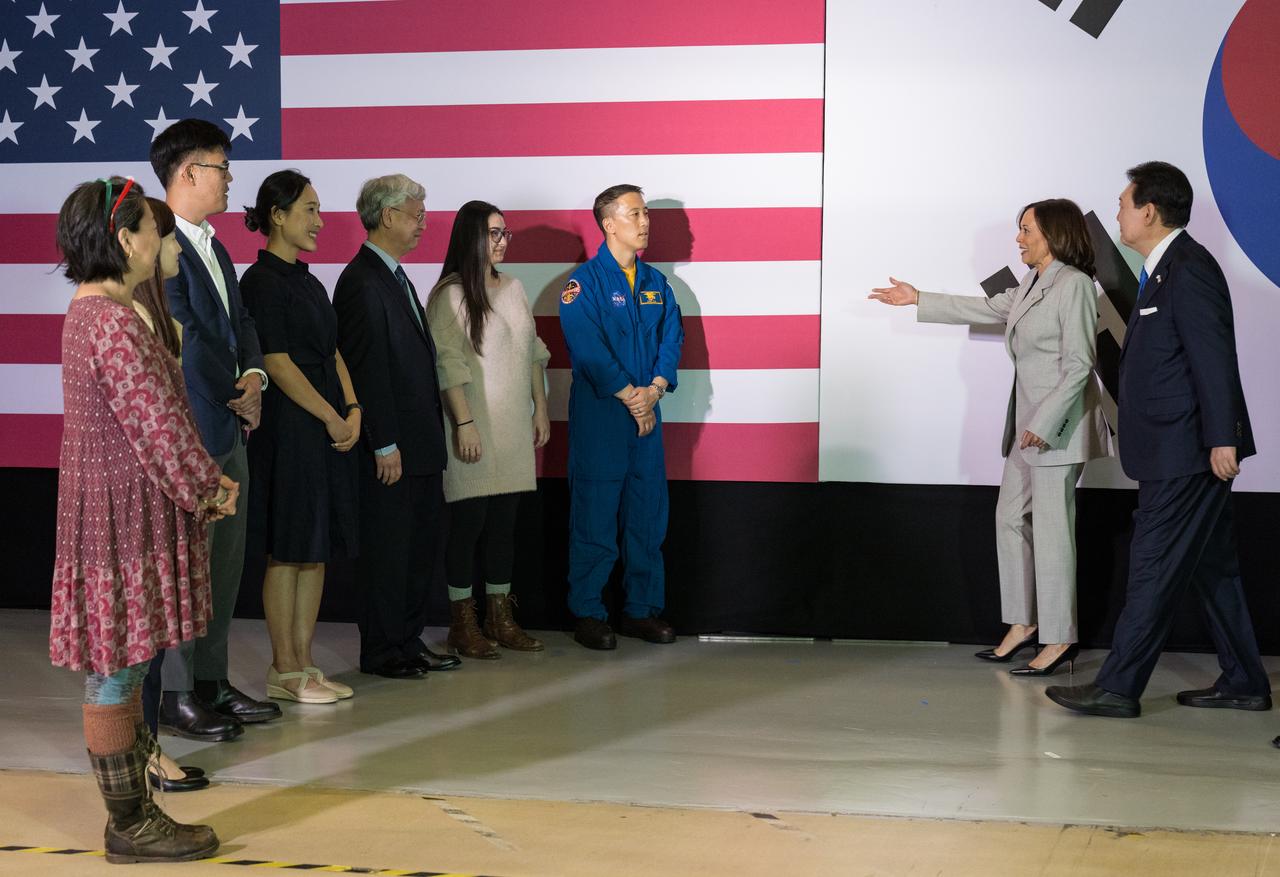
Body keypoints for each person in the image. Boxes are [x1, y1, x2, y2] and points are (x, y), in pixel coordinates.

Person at [49, 176, 237, 863]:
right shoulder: (115, 321)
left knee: (119, 665)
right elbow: (156, 425)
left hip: (108, 508)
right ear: (126, 240)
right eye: (152, 229)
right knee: (120, 670)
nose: (162, 238)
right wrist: (209, 485)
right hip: (124, 515)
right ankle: (128, 821)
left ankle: (134, 814)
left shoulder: (89, 314)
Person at [1047, 162, 1271, 719]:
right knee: (1213, 569)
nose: (1118, 212)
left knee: (1150, 567)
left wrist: (1224, 439)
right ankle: (1245, 680)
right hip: (1176, 449)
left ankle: (1118, 687)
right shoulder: (1164, 269)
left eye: (1124, 203)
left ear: (1149, 211)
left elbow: (1213, 358)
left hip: (1187, 451)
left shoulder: (1189, 269)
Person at [870, 199, 1109, 675]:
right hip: (1027, 427)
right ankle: (1023, 624)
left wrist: (1044, 425)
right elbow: (985, 306)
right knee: (1007, 519)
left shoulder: (1075, 285)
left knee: (1054, 531)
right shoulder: (1032, 282)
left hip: (1055, 429)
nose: (1018, 239)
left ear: (1054, 233)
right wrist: (919, 298)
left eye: (1026, 230)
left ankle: (1060, 638)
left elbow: (1080, 364)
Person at [150, 118, 282, 738]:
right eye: (223, 167)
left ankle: (211, 682)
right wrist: (236, 393)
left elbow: (240, 323)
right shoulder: (155, 243)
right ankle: (175, 695)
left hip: (230, 427)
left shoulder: (213, 243)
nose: (232, 180)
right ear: (188, 173)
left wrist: (254, 375)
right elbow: (187, 339)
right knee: (185, 568)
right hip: (194, 431)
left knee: (223, 567)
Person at [241, 171, 361, 704]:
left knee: (316, 551)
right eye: (309, 209)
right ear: (278, 215)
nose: (319, 220)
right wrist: (329, 417)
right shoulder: (260, 281)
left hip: (326, 425)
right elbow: (278, 363)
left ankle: (306, 665)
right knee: (288, 549)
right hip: (291, 429)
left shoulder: (310, 281)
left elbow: (332, 352)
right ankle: (283, 668)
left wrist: (353, 408)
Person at [333, 174, 460, 678]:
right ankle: (383, 649)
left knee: (417, 550)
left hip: (420, 443)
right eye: (416, 215)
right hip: (392, 448)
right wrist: (382, 441)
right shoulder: (360, 281)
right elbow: (367, 371)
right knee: (389, 552)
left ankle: (407, 639)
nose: (422, 225)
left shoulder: (395, 276)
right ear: (387, 216)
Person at [558, 184, 684, 650]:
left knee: (647, 514)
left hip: (647, 415)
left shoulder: (657, 283)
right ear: (609, 223)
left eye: (646, 212)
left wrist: (654, 390)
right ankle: (589, 612)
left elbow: (673, 338)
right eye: (634, 213)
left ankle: (640, 610)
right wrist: (631, 396)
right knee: (594, 513)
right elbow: (587, 349)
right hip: (602, 416)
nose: (644, 221)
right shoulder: (582, 285)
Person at [425, 201, 551, 659]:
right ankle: (463, 621)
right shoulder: (450, 295)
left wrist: (540, 407)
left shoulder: (513, 288)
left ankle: (500, 617)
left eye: (504, 233)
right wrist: (464, 423)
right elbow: (447, 364)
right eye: (492, 234)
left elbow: (533, 351)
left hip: (513, 430)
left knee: (504, 526)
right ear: (470, 238)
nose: (500, 242)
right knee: (468, 526)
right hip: (474, 428)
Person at [132, 196, 211, 792]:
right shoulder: (122, 319)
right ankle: (141, 757)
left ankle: (149, 748)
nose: (178, 247)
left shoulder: (165, 320)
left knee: (158, 633)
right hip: (142, 494)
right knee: (138, 644)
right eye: (168, 237)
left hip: (170, 491)